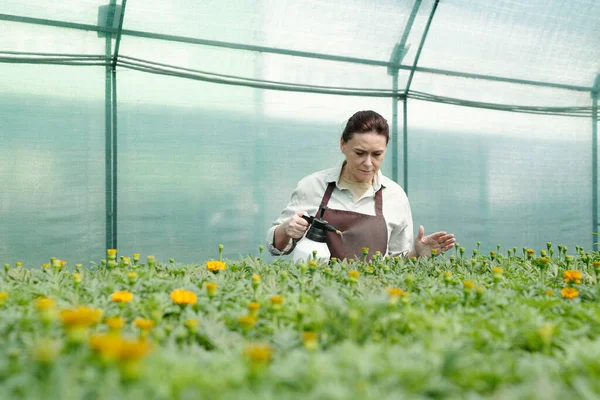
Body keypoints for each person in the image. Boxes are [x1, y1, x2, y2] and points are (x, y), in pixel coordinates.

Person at [266, 110, 455, 261]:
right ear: (343, 145)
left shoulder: (395, 196)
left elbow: (398, 262)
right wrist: (285, 230)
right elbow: (275, 247)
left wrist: (417, 253)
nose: (368, 163)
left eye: (377, 154)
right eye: (359, 152)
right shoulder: (312, 186)